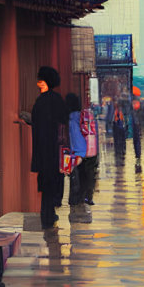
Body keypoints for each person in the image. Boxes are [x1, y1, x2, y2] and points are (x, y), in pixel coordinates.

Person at [30, 66, 68, 229]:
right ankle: (51, 211)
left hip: (42, 149)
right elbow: (64, 123)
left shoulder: (39, 102)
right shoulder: (58, 100)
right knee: (55, 181)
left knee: (45, 184)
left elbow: (35, 125)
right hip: (56, 149)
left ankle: (46, 214)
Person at [65, 93, 91, 222]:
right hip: (86, 153)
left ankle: (75, 209)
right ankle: (79, 205)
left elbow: (75, 137)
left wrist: (77, 154)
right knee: (81, 179)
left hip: (77, 153)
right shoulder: (81, 117)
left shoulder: (71, 119)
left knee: (75, 181)